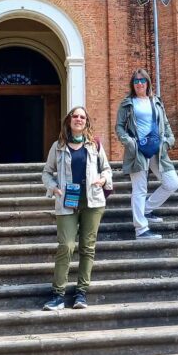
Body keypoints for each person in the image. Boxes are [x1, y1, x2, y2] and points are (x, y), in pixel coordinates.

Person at [41, 106, 112, 310]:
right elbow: (46, 172)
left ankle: (81, 292)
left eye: (82, 117)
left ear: (86, 121)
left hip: (92, 201)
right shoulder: (58, 146)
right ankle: (58, 294)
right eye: (75, 116)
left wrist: (103, 179)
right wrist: (53, 187)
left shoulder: (94, 145)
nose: (78, 119)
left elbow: (107, 169)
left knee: (87, 248)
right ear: (69, 121)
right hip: (67, 202)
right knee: (66, 246)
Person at [115, 68, 178, 240]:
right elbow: (119, 126)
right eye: (136, 81)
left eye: (142, 80)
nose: (139, 84)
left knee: (172, 183)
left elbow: (165, 124)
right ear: (132, 84)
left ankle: (145, 209)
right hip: (137, 151)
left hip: (157, 150)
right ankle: (141, 229)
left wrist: (168, 141)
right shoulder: (127, 103)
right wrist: (128, 141)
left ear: (148, 82)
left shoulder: (156, 101)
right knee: (139, 189)